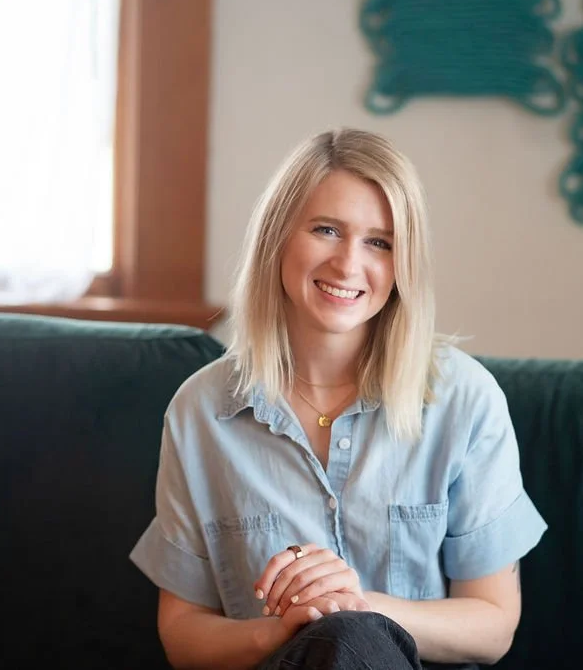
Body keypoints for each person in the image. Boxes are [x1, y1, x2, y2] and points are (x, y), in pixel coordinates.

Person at [130, 127, 547, 669]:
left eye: (380, 242)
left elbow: (492, 626)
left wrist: (356, 610)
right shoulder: (201, 412)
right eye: (327, 230)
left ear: (403, 264)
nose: (349, 265)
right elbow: (183, 634)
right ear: (278, 237)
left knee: (354, 642)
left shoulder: (464, 400)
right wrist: (283, 631)